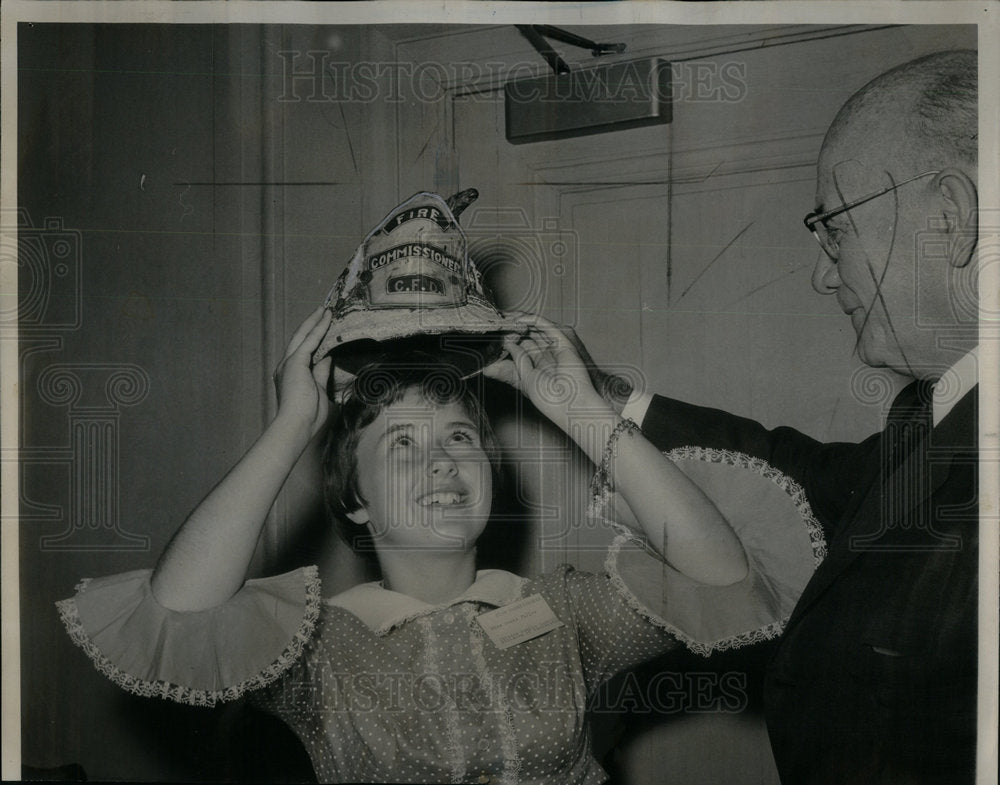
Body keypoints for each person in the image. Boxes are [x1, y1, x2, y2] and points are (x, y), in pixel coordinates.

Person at [56, 304, 819, 784]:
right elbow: (176, 614)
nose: (443, 461)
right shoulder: (315, 645)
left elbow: (724, 578)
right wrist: (294, 423)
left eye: (460, 436)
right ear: (354, 499)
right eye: (401, 446)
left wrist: (581, 409)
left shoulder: (565, 610)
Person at [567, 49, 980, 785]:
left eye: (836, 229)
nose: (824, 273)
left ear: (949, 217)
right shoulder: (935, 406)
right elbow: (818, 482)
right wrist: (599, 398)